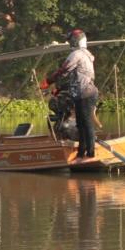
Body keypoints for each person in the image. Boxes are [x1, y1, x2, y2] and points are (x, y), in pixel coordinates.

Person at [50, 29, 99, 159]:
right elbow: (76, 78)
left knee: (86, 122)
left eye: (71, 40)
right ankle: (82, 151)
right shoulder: (86, 54)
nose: (70, 43)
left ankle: (90, 152)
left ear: (76, 41)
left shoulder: (77, 54)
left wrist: (48, 80)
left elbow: (63, 69)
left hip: (85, 93)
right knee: (81, 123)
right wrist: (59, 89)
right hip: (83, 93)